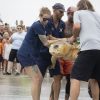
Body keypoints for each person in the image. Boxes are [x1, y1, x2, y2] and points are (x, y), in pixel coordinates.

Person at [17, 7, 51, 100]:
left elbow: (49, 39)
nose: (46, 21)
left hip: (31, 55)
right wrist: (59, 47)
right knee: (36, 79)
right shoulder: (37, 25)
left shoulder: (43, 27)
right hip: (26, 54)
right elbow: (45, 43)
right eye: (44, 19)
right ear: (40, 16)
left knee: (39, 78)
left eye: (48, 19)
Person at [69, 0, 100, 100]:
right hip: (99, 49)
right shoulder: (97, 15)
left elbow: (77, 26)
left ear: (79, 7)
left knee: (75, 77)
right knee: (94, 80)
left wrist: (74, 37)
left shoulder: (78, 13)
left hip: (88, 49)